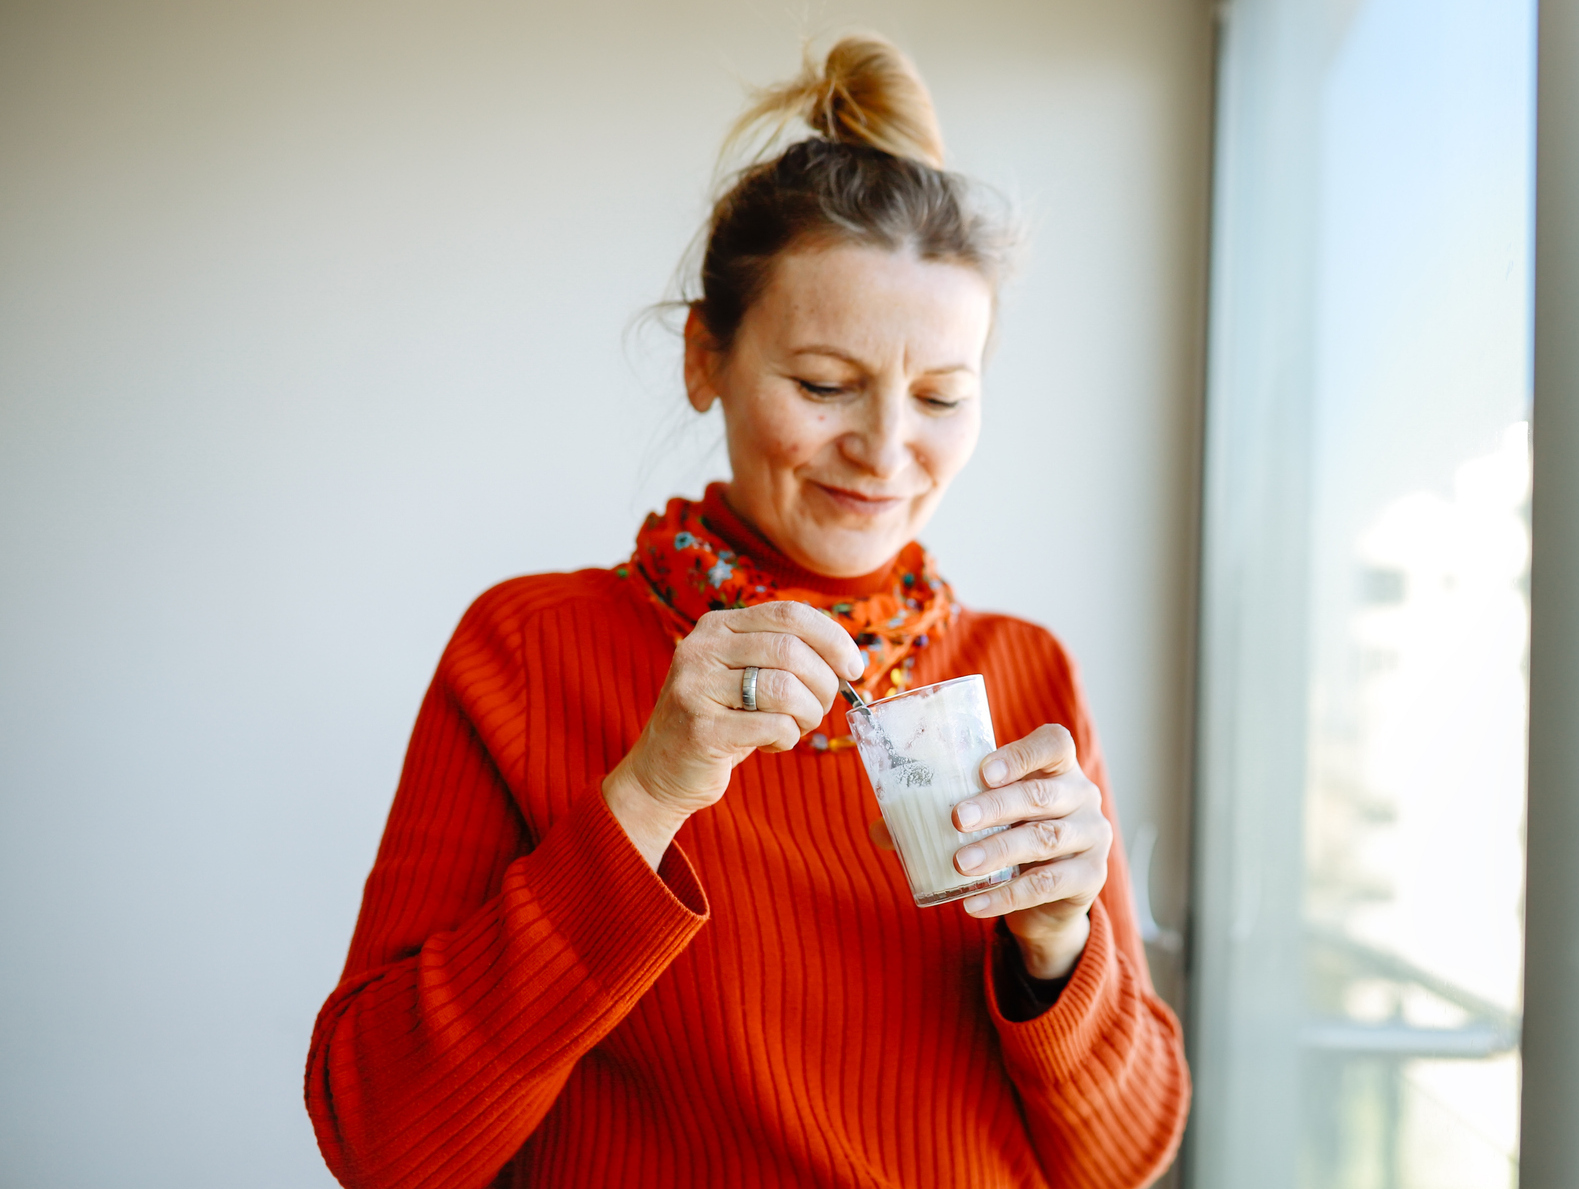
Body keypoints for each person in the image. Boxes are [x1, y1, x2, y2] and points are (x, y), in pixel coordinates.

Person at [303, 33, 1189, 1189]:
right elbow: (383, 1139)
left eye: (941, 396)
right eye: (823, 385)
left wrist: (1060, 948)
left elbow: (1124, 1159)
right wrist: (650, 791)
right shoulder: (525, 653)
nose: (882, 450)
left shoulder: (1023, 673)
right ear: (703, 359)